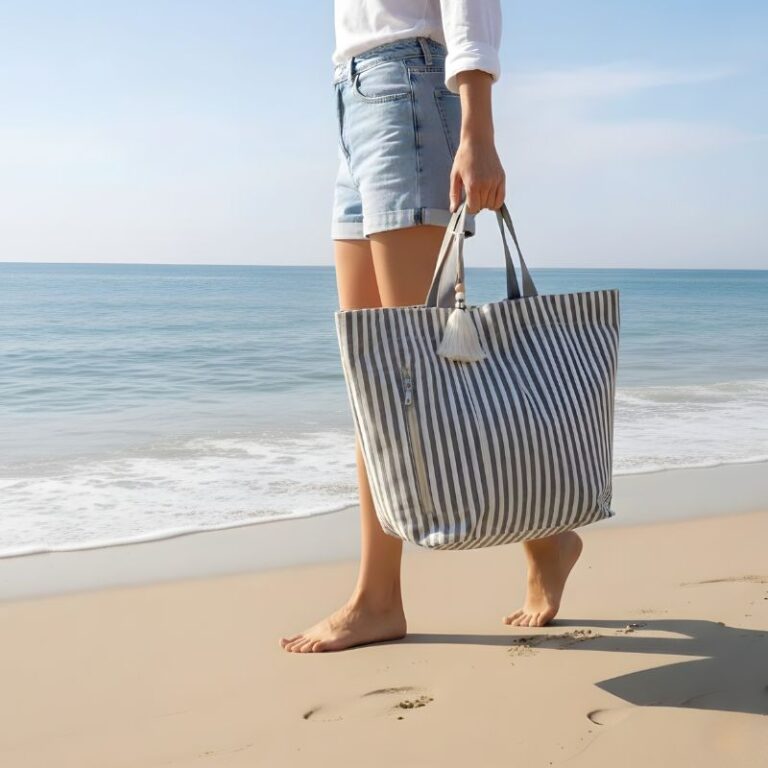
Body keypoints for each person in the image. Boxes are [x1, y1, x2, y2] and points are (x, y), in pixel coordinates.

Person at [280, 1, 583, 654]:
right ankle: (378, 598)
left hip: (408, 88)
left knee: (430, 369)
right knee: (374, 376)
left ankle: (544, 536)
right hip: (353, 94)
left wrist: (478, 127)